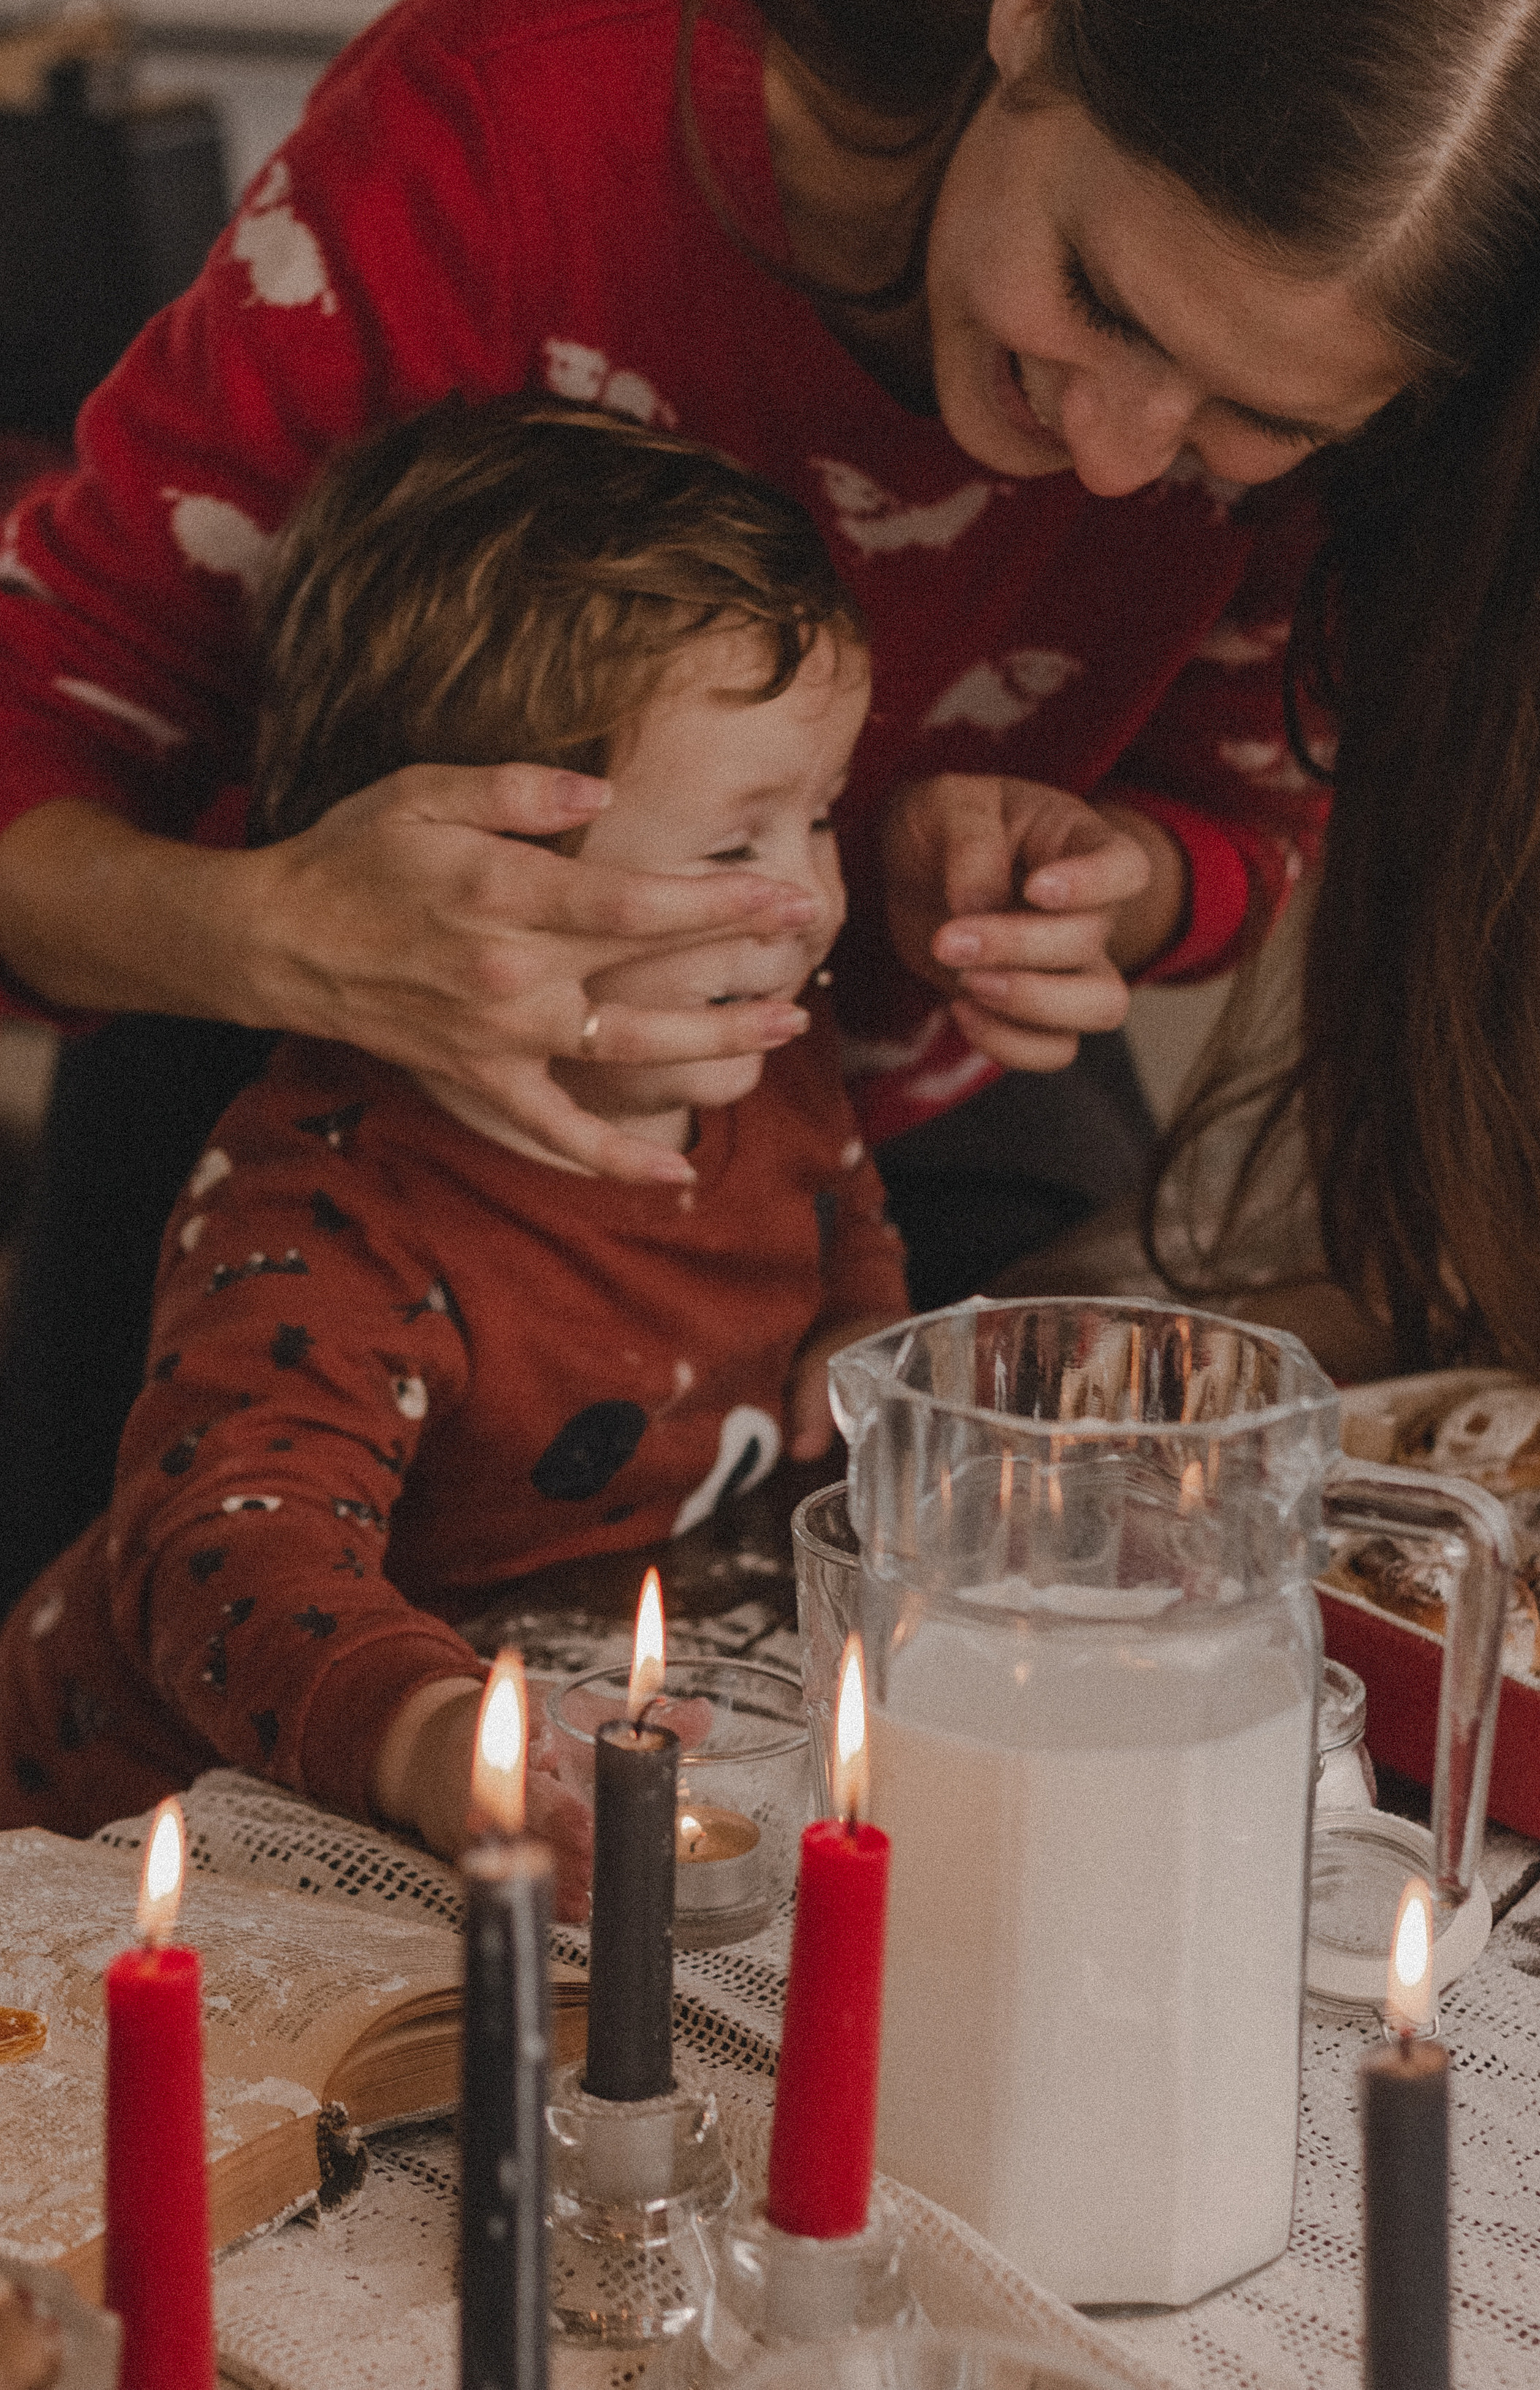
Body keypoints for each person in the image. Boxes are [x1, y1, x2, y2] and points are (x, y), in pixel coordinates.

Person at [0, 0, 1540, 1610]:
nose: (1106, 456)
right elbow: (38, 741)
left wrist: (1111, 879)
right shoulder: (533, 115)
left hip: (866, 1149)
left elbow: (1236, 804)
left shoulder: (1369, 428)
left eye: (1247, 420)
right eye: (1096, 298)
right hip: (291, 1116)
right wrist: (286, 935)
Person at [0, 397, 908, 1912]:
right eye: (733, 844)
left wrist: (860, 1324)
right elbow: (228, 1560)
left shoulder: (761, 1050)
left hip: (538, 1744)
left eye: (815, 820)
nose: (810, 902)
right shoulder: (333, 1208)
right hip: (157, 1833)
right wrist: (439, 1742)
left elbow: (837, 1204)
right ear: (473, 881)